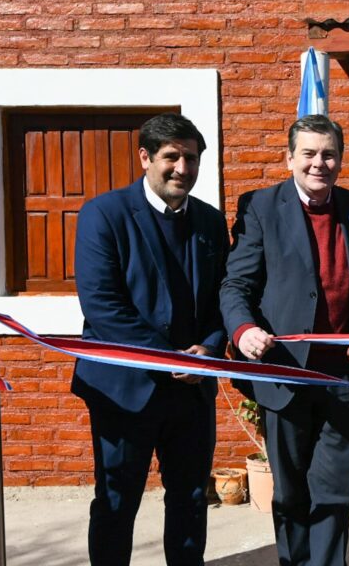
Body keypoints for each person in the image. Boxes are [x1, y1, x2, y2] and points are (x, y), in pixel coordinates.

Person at [221, 114, 349, 566]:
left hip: (339, 376)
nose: (319, 163)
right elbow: (236, 286)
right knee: (290, 491)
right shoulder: (261, 206)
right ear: (290, 157)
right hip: (284, 370)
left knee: (334, 490)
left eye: (329, 154)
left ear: (340, 159)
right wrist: (243, 329)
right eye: (309, 153)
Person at [71, 113, 229, 565]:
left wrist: (212, 346)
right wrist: (169, 358)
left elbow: (225, 297)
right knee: (118, 503)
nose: (183, 168)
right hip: (124, 390)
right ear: (144, 157)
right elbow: (102, 307)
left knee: (191, 499)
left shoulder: (210, 222)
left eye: (192, 158)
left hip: (192, 392)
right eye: (171, 157)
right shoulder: (104, 214)